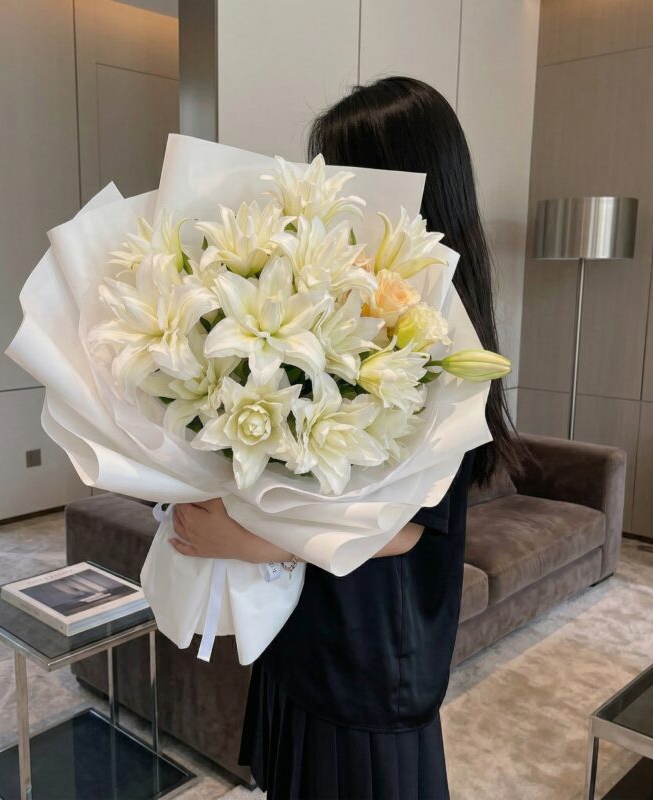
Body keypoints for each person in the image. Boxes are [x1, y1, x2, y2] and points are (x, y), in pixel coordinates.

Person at [168, 76, 523, 800]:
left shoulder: (438, 336)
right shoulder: (339, 307)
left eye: (350, 178)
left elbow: (408, 529)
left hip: (370, 647)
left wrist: (254, 542)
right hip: (307, 624)